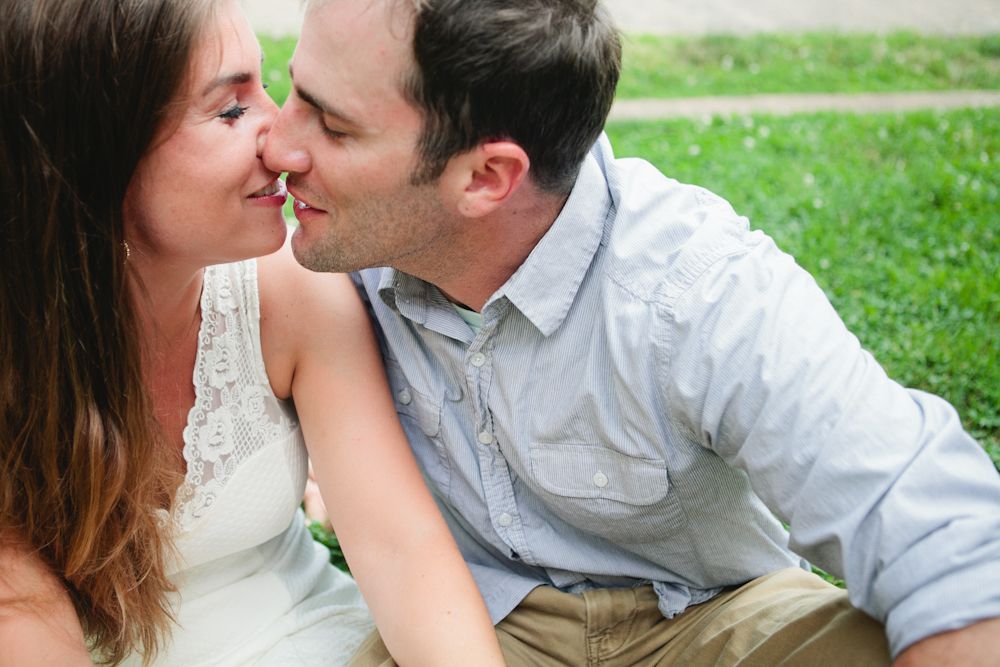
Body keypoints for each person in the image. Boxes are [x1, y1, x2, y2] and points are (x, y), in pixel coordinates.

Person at [262, 0, 1000, 665]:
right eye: (292, 87)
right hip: (474, 624)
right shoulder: (334, 262)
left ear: (487, 177)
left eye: (332, 125)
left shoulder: (696, 290)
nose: (278, 145)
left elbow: (945, 538)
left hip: (714, 618)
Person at [0, 1, 506, 665]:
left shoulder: (288, 292)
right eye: (231, 109)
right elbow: (24, 619)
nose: (284, 138)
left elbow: (401, 548)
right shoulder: (20, 358)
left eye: (265, 87)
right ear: (97, 153)